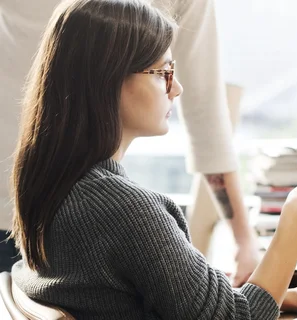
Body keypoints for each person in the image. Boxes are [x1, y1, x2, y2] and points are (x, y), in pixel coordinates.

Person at [8, 0, 297, 319]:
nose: (176, 88)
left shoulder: (53, 186)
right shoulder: (123, 210)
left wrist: (288, 297)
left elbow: (172, 300)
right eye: (162, 73)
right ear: (108, 80)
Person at [0, 0, 261, 284]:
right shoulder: (133, 214)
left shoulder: (122, 208)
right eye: (163, 74)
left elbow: (206, 116)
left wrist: (243, 240)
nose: (175, 88)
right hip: (32, 211)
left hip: (39, 204)